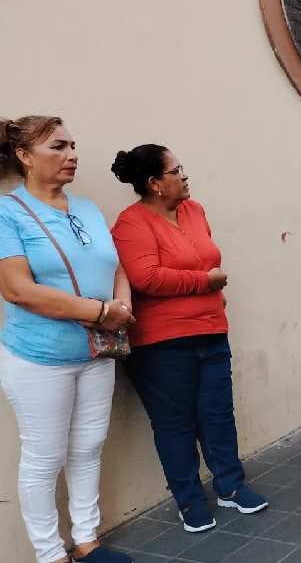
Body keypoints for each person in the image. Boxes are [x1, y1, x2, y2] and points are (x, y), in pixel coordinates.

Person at [111, 144, 268, 533]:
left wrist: (209, 286)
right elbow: (147, 277)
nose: (184, 176)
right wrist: (205, 283)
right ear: (154, 184)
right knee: (175, 424)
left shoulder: (194, 211)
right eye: (176, 171)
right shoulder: (131, 223)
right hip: (161, 343)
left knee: (217, 416)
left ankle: (231, 486)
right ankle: (189, 500)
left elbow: (208, 257)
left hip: (211, 330)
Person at [0, 116, 134, 563]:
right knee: (44, 457)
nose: (72, 155)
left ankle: (87, 540)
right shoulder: (7, 212)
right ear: (24, 156)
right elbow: (19, 290)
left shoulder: (88, 208)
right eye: (58, 147)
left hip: (97, 352)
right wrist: (101, 313)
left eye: (73, 145)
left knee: (88, 446)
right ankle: (49, 554)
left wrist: (122, 305)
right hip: (41, 357)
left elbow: (115, 265)